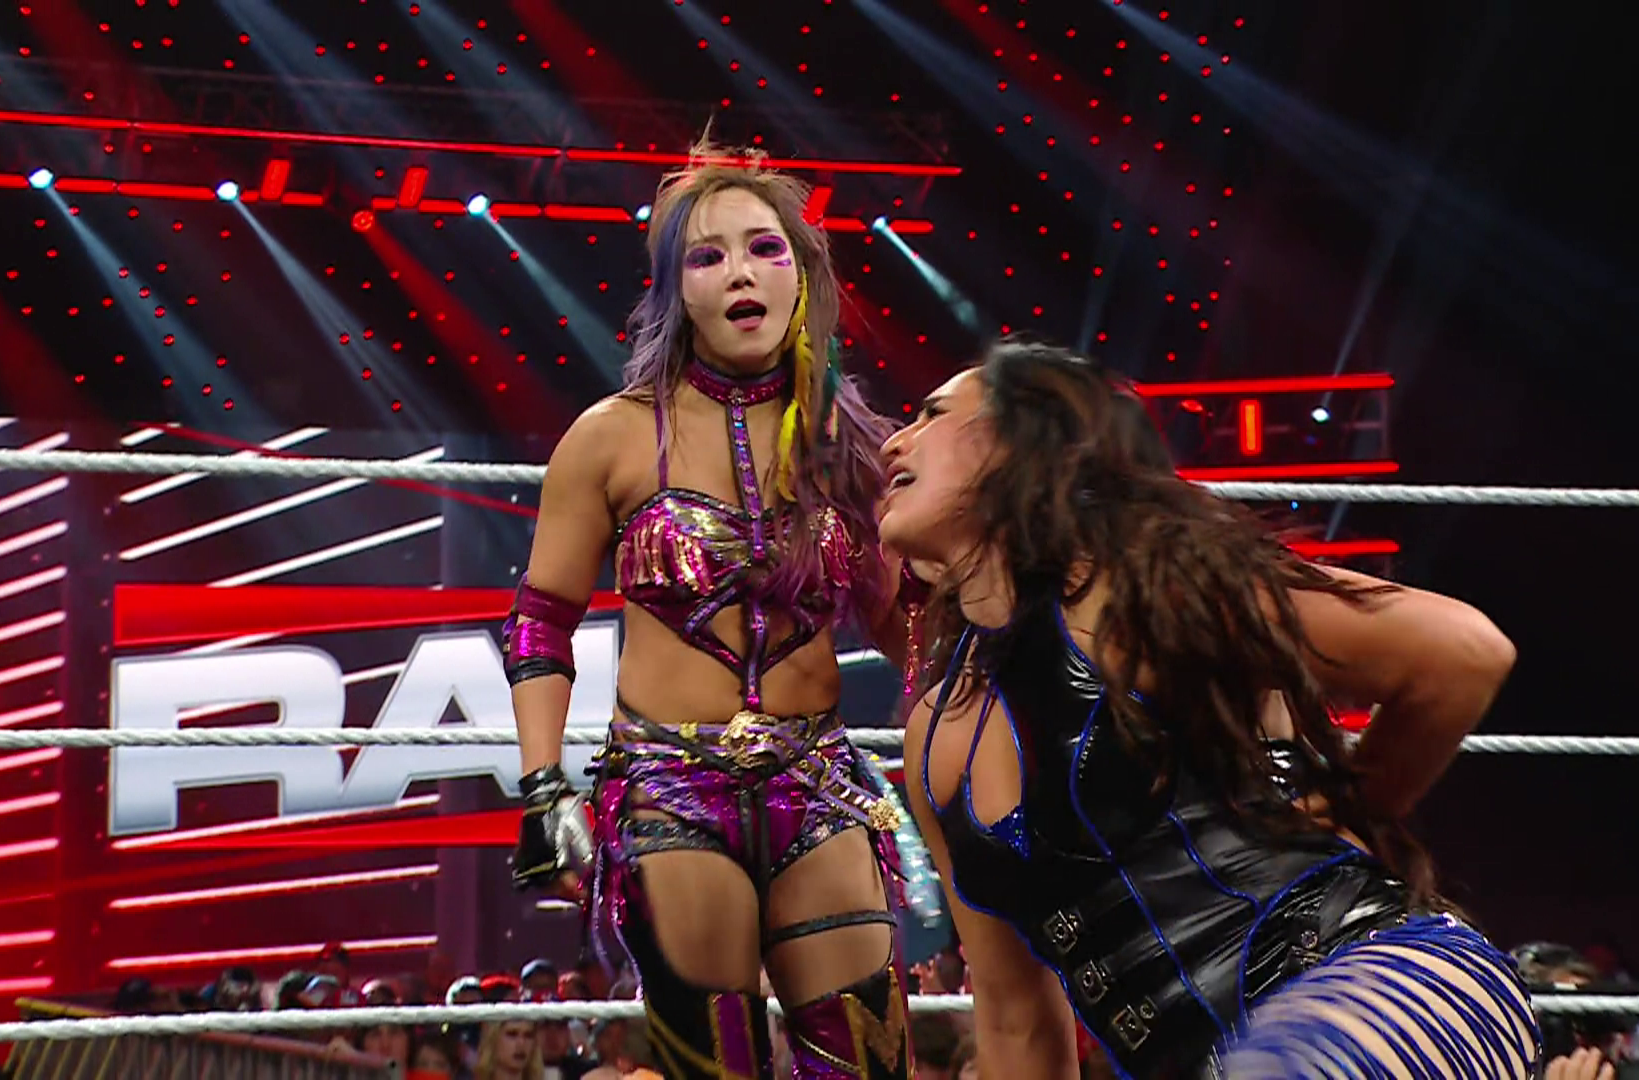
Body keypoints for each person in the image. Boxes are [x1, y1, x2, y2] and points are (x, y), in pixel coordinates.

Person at [880, 337, 1540, 1078]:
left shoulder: (1138, 587)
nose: (895, 441)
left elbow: (1460, 653)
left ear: (1019, 444)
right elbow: (1016, 1024)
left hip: (1368, 984)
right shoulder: (932, 737)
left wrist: (1351, 803)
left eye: (933, 414)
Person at [504, 135, 927, 1080]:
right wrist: (542, 787)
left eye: (764, 248)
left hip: (818, 780)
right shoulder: (611, 437)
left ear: (800, 275)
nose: (741, 271)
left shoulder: (854, 443)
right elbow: (540, 620)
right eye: (708, 256)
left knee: (869, 1067)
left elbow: (904, 629)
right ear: (676, 290)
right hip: (669, 787)